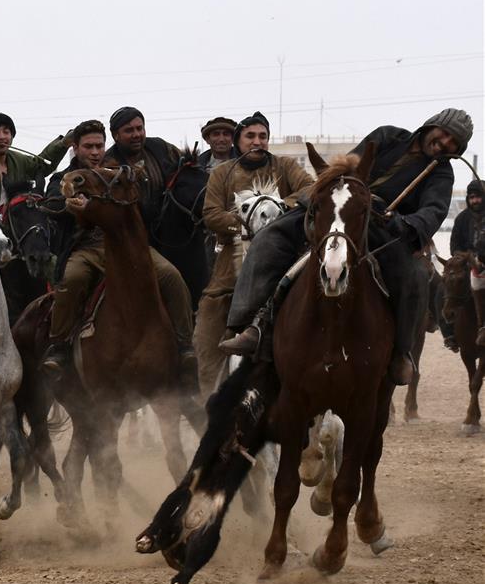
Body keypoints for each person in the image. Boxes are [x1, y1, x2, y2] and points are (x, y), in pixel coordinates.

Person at [220, 108, 473, 385]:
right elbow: (348, 167)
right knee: (269, 238)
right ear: (432, 125)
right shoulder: (388, 136)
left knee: (415, 276)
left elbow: (433, 212)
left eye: (454, 144)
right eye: (446, 134)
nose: (446, 143)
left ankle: (401, 352)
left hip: (385, 229)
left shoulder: (442, 175)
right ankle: (250, 325)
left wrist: (404, 223)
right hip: (339, 205)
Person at [41, 119, 197, 385]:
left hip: (128, 247)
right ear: (75, 149)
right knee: (72, 280)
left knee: (171, 276)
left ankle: (185, 346)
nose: (94, 152)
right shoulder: (63, 179)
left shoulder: (118, 173)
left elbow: (144, 206)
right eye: (88, 146)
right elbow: (52, 203)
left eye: (99, 146)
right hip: (87, 249)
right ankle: (60, 346)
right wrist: (69, 205)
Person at [194, 112, 313, 407]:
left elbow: (310, 190)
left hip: (280, 261)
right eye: (251, 136)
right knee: (206, 332)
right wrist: (246, 222)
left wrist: (273, 211)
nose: (257, 142)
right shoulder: (221, 173)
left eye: (262, 136)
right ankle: (212, 404)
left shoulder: (284, 166)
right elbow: (211, 214)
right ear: (239, 141)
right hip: (230, 265)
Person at [102, 106, 183, 242]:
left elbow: (186, 167)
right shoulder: (108, 164)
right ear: (116, 135)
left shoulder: (161, 148)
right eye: (129, 130)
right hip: (132, 237)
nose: (136, 134)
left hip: (170, 231)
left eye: (140, 128)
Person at [0, 112, 72, 207]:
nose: (2, 137)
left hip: (18, 219)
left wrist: (63, 144)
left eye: (6, 132)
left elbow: (41, 166)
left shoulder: (18, 159)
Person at [198, 116, 239, 276]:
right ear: (208, 139)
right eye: (216, 134)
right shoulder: (196, 166)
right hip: (204, 233)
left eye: (226, 134)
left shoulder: (245, 162)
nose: (221, 139)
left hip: (236, 231)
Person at [446, 179, 485, 347]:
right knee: (445, 289)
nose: (474, 200)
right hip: (465, 264)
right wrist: (461, 257)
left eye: (478, 197)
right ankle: (450, 334)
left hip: (484, 264)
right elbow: (454, 244)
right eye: (471, 197)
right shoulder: (462, 218)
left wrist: (480, 258)